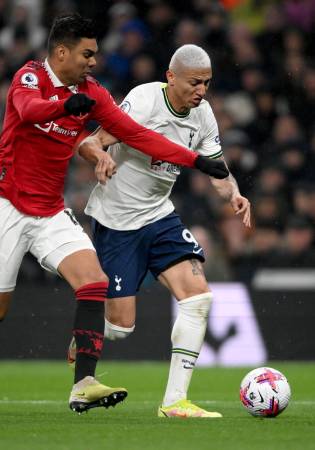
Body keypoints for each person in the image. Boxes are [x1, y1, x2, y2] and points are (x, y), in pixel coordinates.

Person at [0, 14, 228, 415]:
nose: (93, 62)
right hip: (7, 207)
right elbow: (30, 110)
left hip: (51, 211)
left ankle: (84, 382)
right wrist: (65, 105)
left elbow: (139, 135)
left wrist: (196, 161)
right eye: (87, 54)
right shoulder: (30, 77)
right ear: (62, 51)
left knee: (94, 281)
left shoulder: (93, 92)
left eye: (96, 55)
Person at [69, 44, 251, 418]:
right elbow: (89, 143)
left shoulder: (203, 116)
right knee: (121, 327)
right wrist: (101, 156)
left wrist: (233, 192)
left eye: (207, 83)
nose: (201, 90)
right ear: (171, 77)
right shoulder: (145, 100)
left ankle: (174, 403)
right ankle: (85, 335)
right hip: (117, 223)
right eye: (194, 82)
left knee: (198, 298)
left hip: (159, 217)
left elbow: (216, 169)